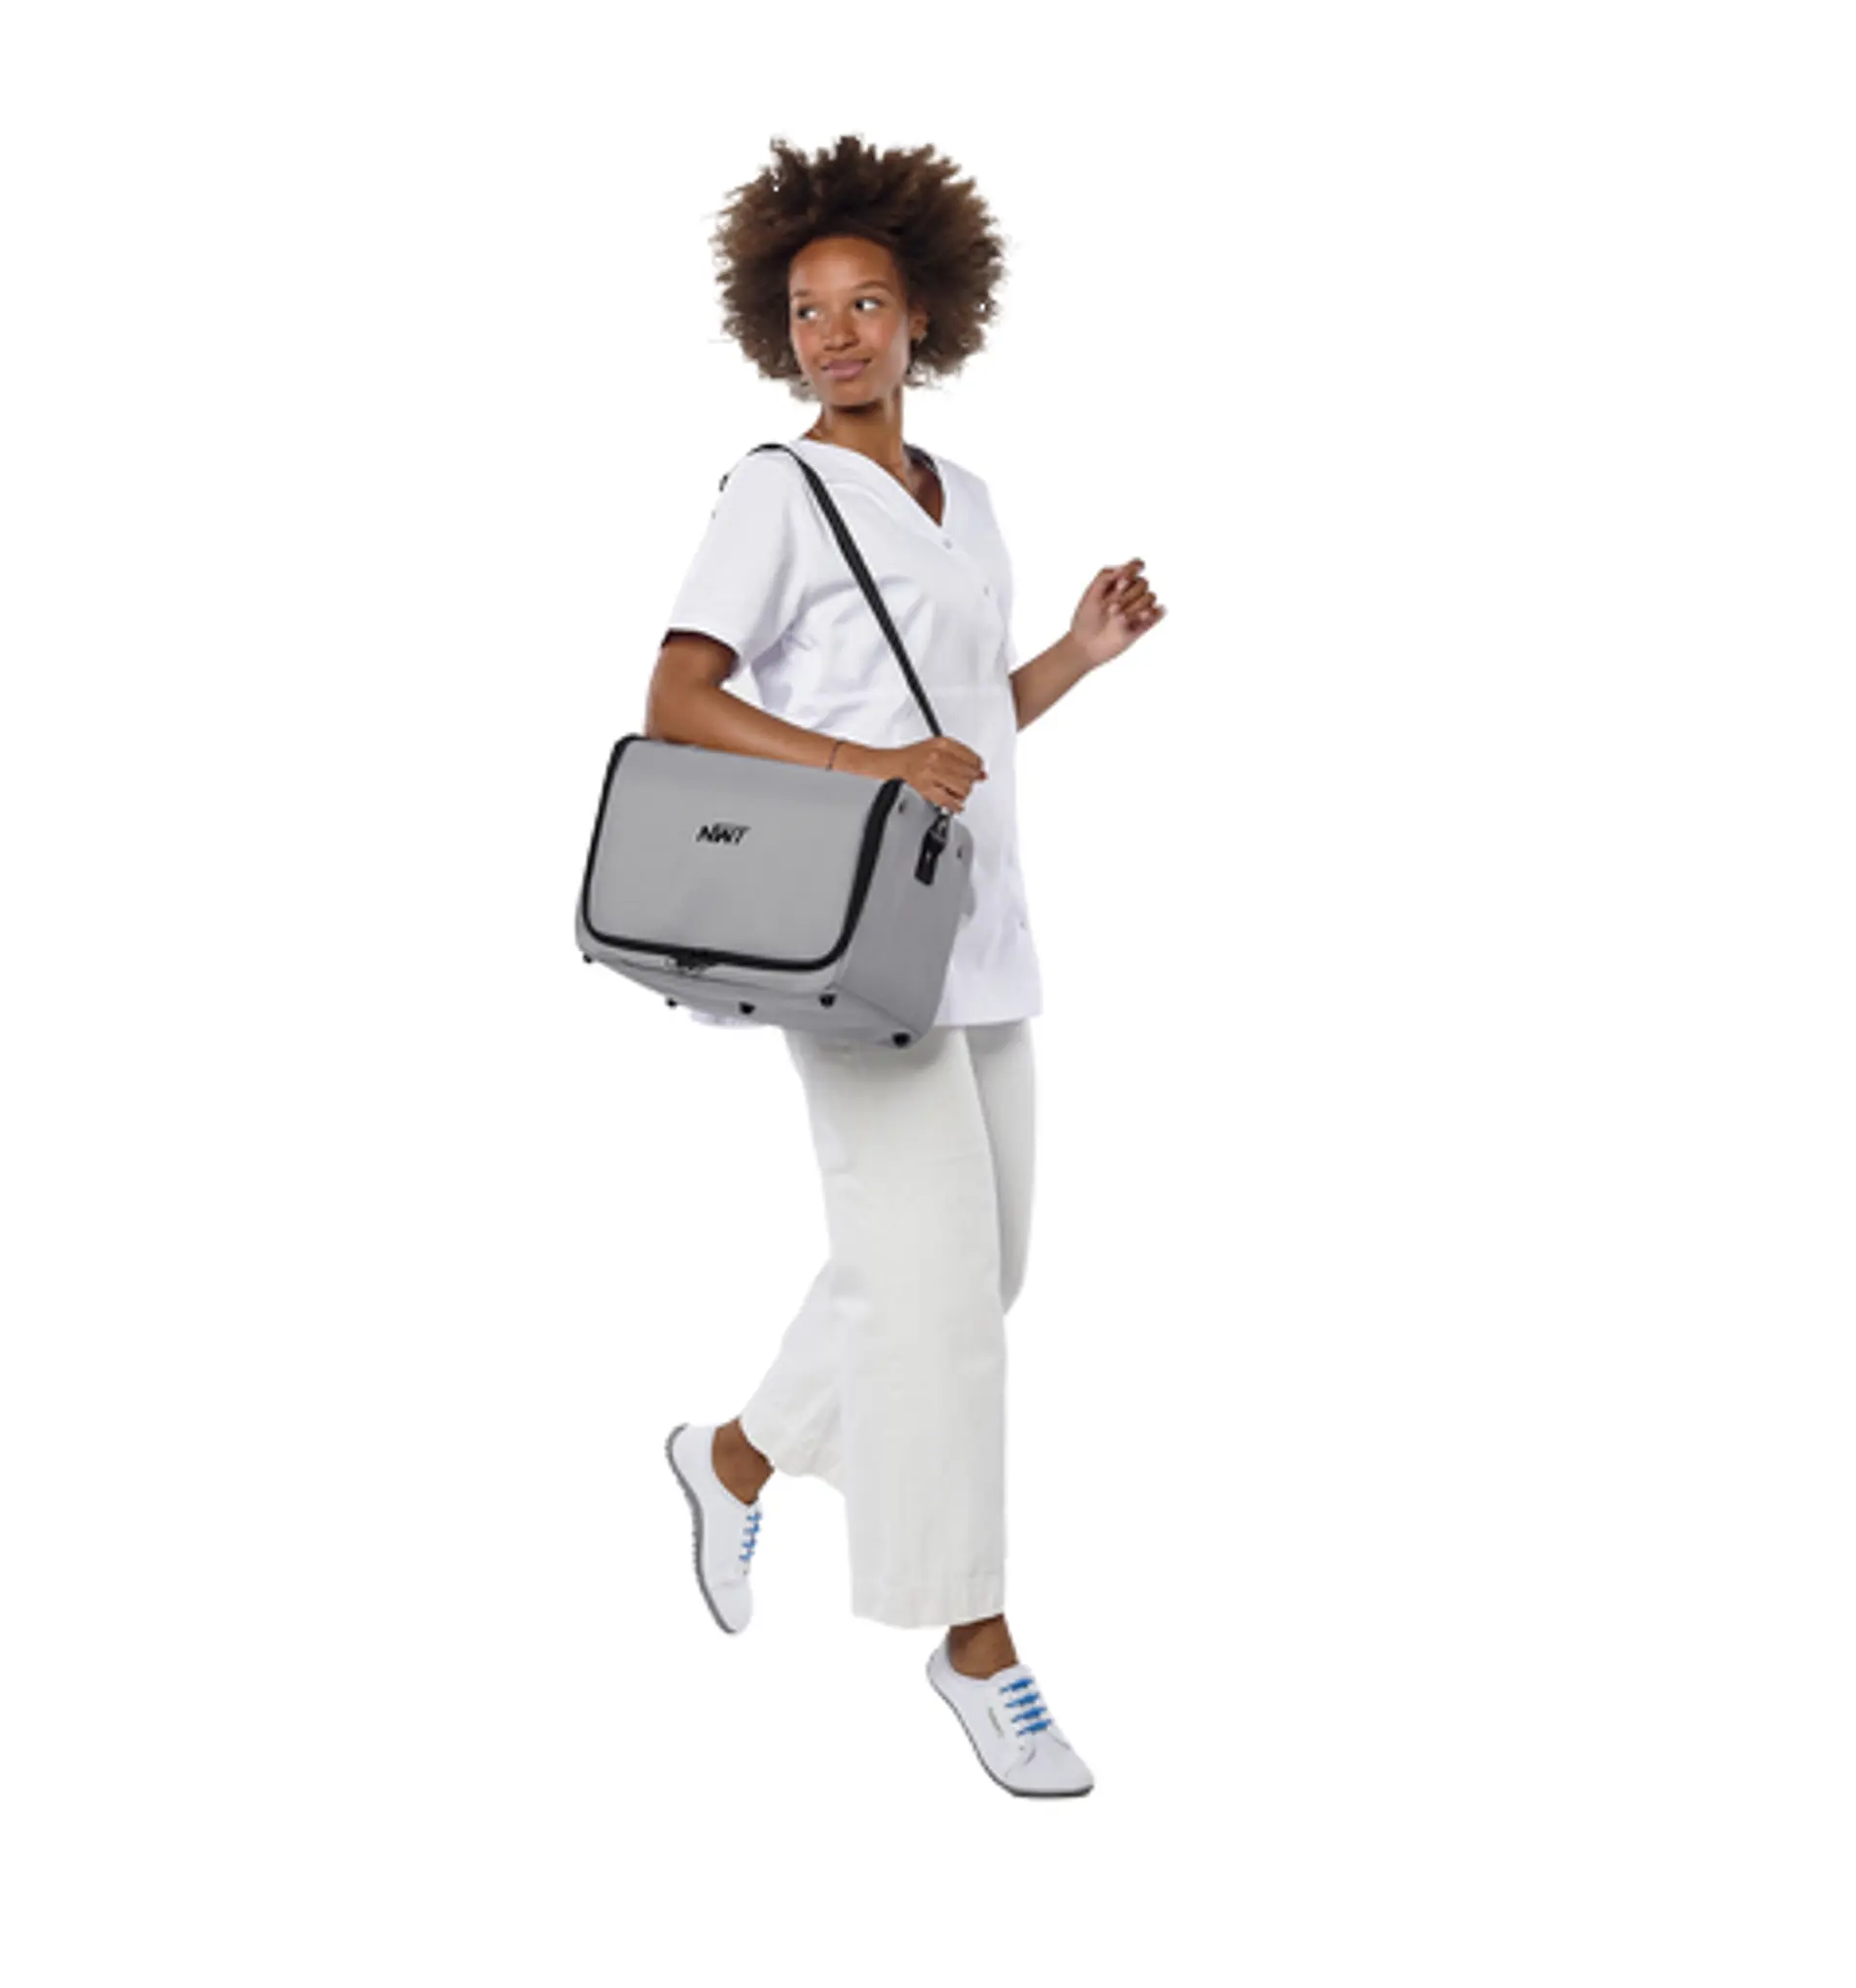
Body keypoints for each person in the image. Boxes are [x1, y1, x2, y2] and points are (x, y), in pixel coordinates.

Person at [650, 135, 1166, 1798]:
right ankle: (975, 1644)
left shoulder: (971, 500)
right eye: (808, 311)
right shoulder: (774, 493)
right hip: (854, 943)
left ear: (924, 314)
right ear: (776, 327)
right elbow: (678, 697)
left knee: (970, 1273)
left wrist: (1076, 655)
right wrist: (864, 769)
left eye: (865, 304)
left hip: (984, 932)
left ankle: (734, 1458)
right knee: (941, 1312)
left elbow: (966, 729)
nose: (836, 334)